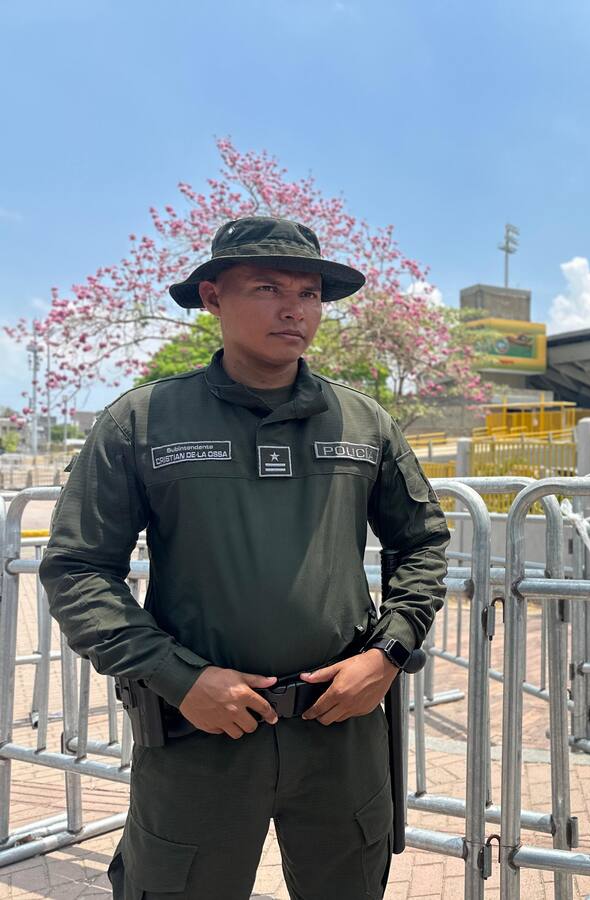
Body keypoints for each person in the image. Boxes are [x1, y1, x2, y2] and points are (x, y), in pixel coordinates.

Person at [40, 216, 450, 899]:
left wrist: (388, 655)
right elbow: (78, 568)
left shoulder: (364, 422)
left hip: (339, 729)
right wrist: (175, 675)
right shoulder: (143, 423)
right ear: (212, 297)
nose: (295, 308)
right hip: (200, 729)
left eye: (310, 292)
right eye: (266, 286)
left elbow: (424, 543)